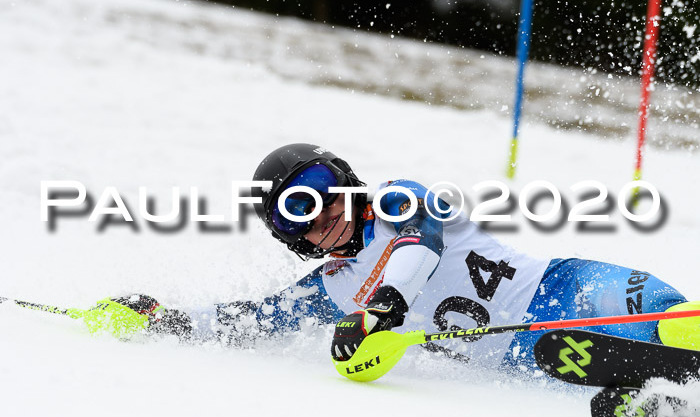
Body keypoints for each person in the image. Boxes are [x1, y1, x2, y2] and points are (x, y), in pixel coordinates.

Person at [87, 143, 699, 373]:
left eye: (323, 186)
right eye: (294, 211)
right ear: (288, 234)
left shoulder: (399, 200)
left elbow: (419, 245)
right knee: (627, 373)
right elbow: (249, 319)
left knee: (672, 320)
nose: (320, 210)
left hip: (560, 288)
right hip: (526, 356)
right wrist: (162, 316)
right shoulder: (329, 287)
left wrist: (384, 304)